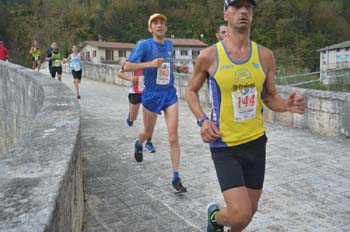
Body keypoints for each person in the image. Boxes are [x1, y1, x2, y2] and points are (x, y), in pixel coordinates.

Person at [185, 0, 307, 231]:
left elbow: (270, 97)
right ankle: (214, 217)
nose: (243, 11)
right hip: (224, 144)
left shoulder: (265, 56)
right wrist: (202, 120)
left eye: (248, 7)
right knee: (240, 215)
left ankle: (220, 224)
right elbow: (190, 90)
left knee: (249, 213)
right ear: (225, 14)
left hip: (255, 142)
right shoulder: (209, 56)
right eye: (236, 6)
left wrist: (287, 105)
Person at [124, 13, 189, 193]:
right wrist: (150, 64)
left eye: (162, 23)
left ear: (166, 28)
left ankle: (176, 178)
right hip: (151, 95)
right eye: (155, 23)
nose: (159, 25)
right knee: (147, 132)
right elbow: (127, 66)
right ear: (150, 28)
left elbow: (168, 63)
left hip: (169, 95)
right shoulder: (144, 45)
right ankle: (139, 143)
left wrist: (178, 68)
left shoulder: (169, 44)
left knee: (173, 136)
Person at [116, 67, 156, 153]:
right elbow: (119, 73)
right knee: (133, 118)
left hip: (148, 92)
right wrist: (130, 78)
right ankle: (130, 116)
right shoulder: (132, 59)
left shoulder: (150, 58)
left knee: (149, 120)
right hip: (135, 92)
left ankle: (148, 142)